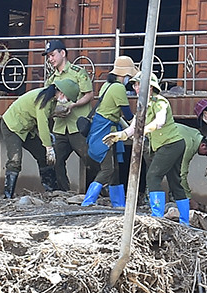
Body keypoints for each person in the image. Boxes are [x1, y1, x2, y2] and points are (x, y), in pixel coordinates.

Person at [104, 74, 190, 224]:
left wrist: (143, 130)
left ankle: (157, 216)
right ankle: (185, 221)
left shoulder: (160, 102)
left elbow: (160, 121)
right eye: (135, 85)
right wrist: (120, 135)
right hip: (169, 145)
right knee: (175, 183)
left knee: (153, 176)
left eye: (139, 85)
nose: (136, 88)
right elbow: (133, 128)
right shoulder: (143, 105)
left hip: (171, 144)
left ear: (150, 87)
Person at [0, 78, 77, 198]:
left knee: (43, 156)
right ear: (62, 92)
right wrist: (49, 147)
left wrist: (55, 113)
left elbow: (43, 118)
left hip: (27, 128)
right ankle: (7, 195)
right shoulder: (44, 100)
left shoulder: (50, 98)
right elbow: (42, 124)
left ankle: (50, 191)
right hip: (12, 126)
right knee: (15, 160)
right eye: (68, 98)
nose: (67, 101)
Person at [81, 56, 139, 208]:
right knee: (108, 169)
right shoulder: (118, 88)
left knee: (115, 169)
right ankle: (88, 201)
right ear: (125, 74)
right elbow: (127, 114)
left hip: (104, 127)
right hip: (105, 130)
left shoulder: (106, 85)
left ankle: (118, 204)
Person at [44, 39, 97, 194]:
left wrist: (73, 105)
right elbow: (47, 102)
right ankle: (64, 192)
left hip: (77, 126)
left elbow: (89, 95)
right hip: (60, 127)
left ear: (63, 53)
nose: (50, 59)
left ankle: (101, 190)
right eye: (48, 56)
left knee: (90, 159)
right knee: (56, 161)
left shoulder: (78, 72)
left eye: (52, 55)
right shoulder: (51, 79)